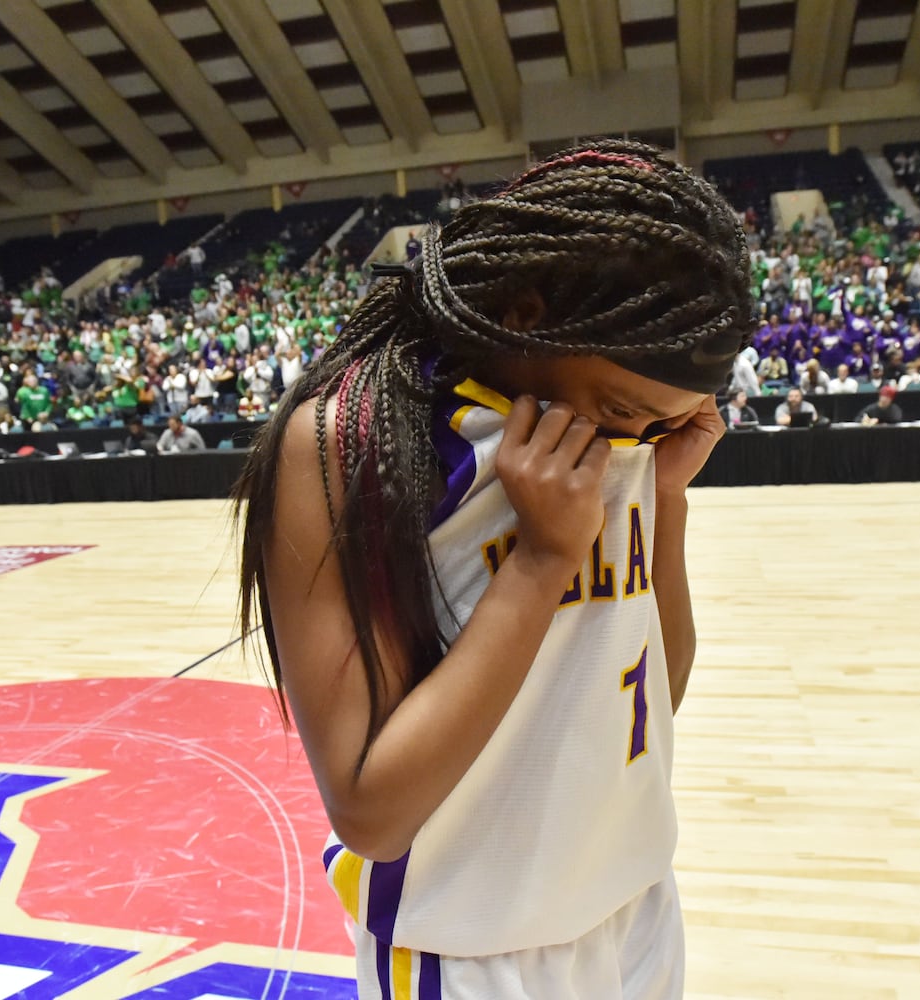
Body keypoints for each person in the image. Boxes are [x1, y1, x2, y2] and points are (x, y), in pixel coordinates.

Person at [233, 141, 751, 999]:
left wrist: (665, 503)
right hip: (473, 946)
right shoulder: (353, 438)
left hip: (635, 904)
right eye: (633, 415)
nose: (640, 435)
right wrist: (543, 560)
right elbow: (371, 811)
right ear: (522, 315)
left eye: (671, 421)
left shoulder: (608, 420)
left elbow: (655, 696)